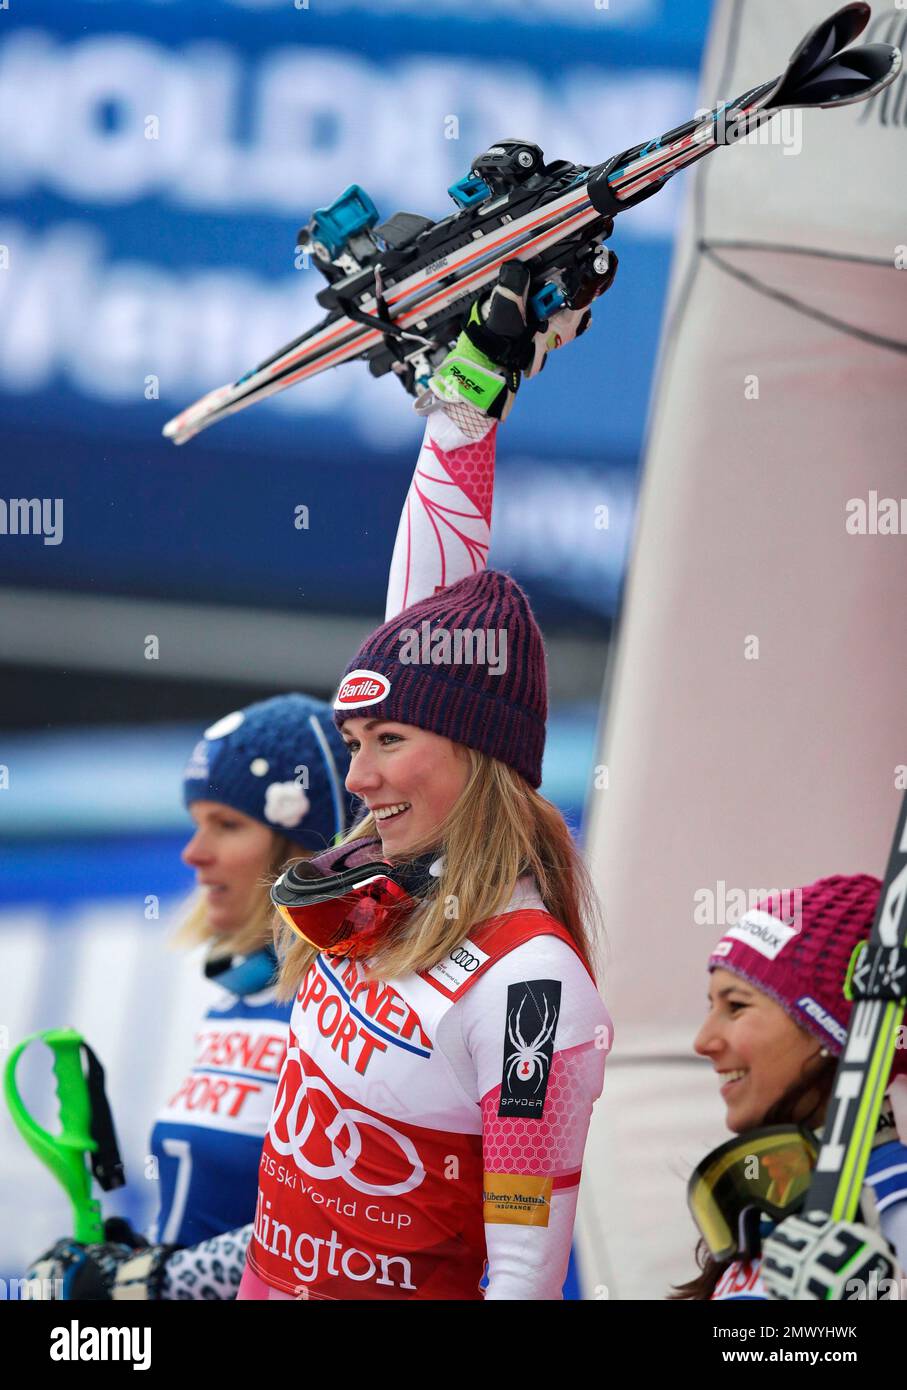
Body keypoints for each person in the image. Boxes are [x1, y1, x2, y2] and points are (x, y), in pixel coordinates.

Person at [234, 266, 615, 1301]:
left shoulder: (533, 989)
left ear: (477, 756)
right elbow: (431, 616)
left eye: (386, 739)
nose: (356, 775)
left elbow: (526, 1278)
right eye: (351, 737)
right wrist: (468, 400)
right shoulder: (384, 874)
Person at [27, 694, 354, 1299]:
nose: (193, 854)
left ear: (310, 853)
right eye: (197, 821)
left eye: (227, 825)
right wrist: (133, 1257)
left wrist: (157, 1282)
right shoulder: (239, 993)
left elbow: (353, 1231)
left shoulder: (351, 1008)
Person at [674, 874, 907, 1301]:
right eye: (712, 1006)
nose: (704, 1041)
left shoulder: (895, 1200)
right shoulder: (767, 1199)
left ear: (830, 1031)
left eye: (736, 1006)